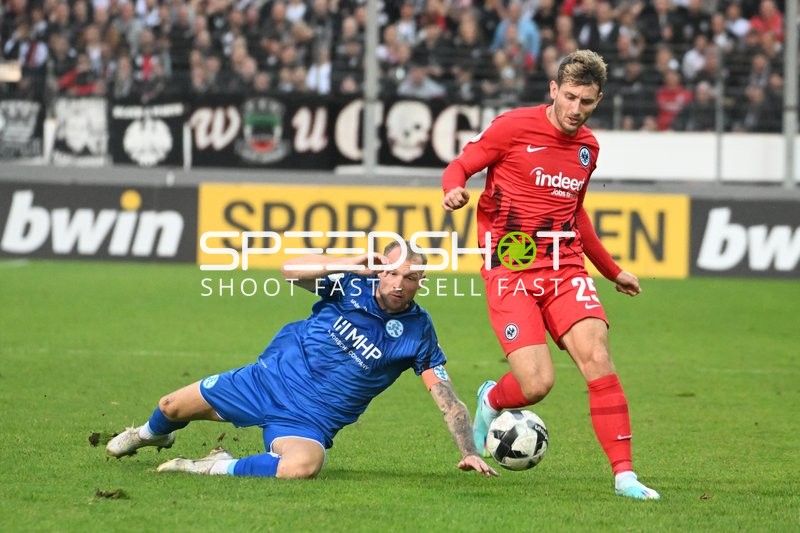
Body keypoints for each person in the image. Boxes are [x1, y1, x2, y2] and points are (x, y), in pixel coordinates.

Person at [440, 49, 660, 500]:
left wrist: (613, 271)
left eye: (588, 102)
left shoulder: (588, 149)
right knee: (537, 384)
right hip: (510, 267)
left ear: (598, 101)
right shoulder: (512, 127)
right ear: (554, 90)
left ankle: (625, 476)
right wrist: (454, 188)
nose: (576, 109)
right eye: (571, 97)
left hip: (565, 268)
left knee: (597, 356)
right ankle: (492, 398)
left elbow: (576, 214)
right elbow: (463, 163)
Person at [106, 242, 498, 479]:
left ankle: (211, 465)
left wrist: (468, 452)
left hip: (310, 420)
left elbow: (447, 399)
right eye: (391, 273)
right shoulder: (350, 283)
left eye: (409, 278)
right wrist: (347, 261)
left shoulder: (418, 331)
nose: (398, 283)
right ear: (379, 271)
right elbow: (290, 271)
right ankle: (147, 435)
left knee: (303, 467)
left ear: (420, 282)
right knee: (170, 407)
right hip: (266, 382)